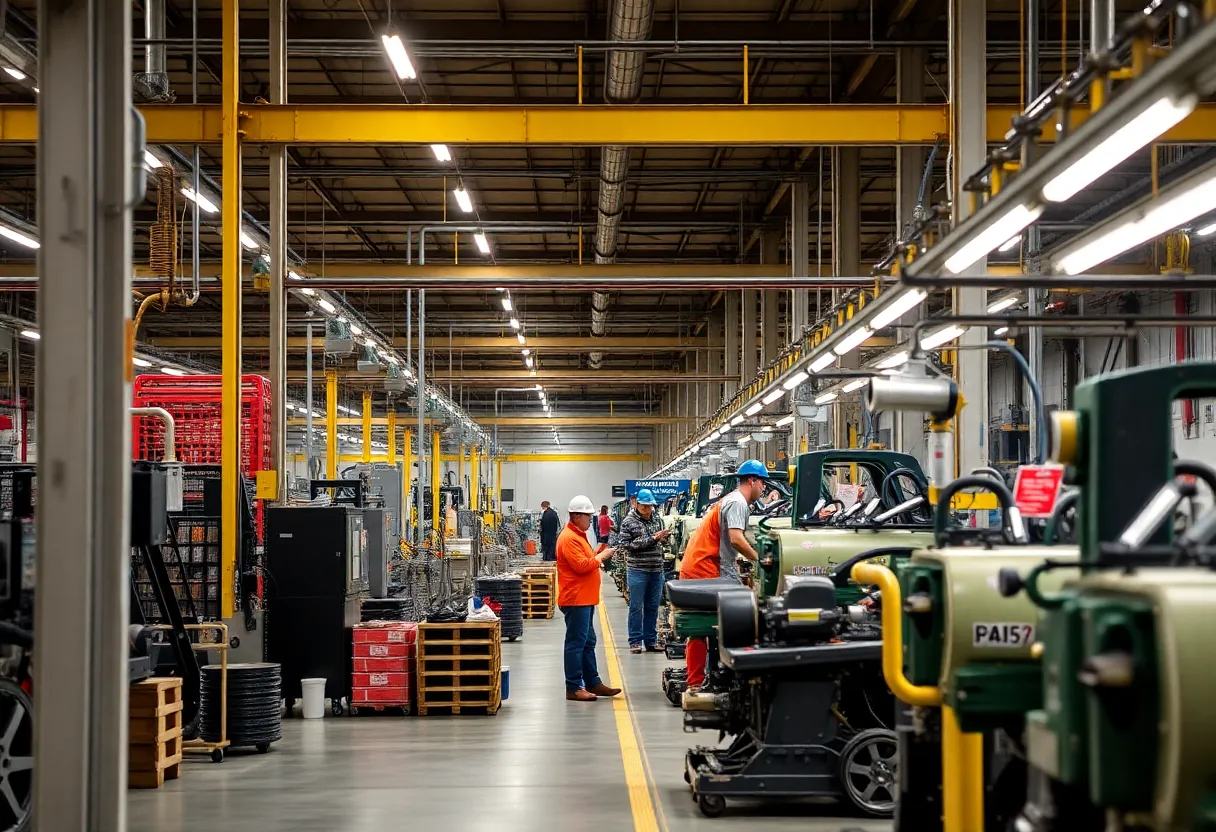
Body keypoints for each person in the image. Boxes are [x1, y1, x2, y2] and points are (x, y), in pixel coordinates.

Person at [678, 459, 768, 691]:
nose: (765, 488)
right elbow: (736, 539)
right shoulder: (738, 502)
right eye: (763, 483)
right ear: (752, 480)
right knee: (739, 615)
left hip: (701, 565)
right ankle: (712, 680)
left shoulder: (729, 499)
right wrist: (760, 560)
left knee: (704, 628)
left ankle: (701, 679)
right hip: (705, 567)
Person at [557, 495, 622, 702]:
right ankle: (574, 686)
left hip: (585, 598)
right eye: (588, 516)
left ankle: (593, 682)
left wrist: (597, 553)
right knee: (576, 642)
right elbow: (582, 566)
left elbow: (585, 559)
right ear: (576, 516)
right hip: (576, 599)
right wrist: (600, 557)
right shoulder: (569, 538)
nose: (590, 520)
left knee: (588, 641)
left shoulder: (579, 535)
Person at [617, 489, 670, 653]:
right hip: (638, 570)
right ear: (637, 504)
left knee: (653, 606)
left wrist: (663, 538)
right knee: (636, 607)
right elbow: (625, 545)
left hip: (656, 569)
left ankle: (650, 641)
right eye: (645, 507)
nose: (648, 510)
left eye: (650, 507)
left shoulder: (657, 519)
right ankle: (635, 641)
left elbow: (658, 541)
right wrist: (652, 539)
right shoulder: (628, 522)